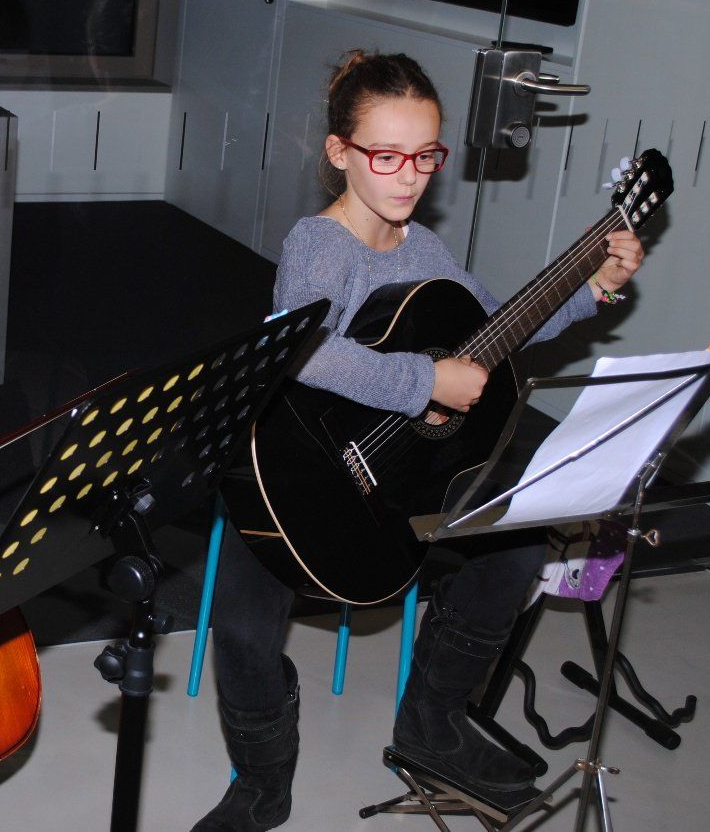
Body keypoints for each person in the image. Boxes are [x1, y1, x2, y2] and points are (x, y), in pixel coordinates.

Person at [192, 50, 644, 831]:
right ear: (339, 152)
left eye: (426, 156)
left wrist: (595, 285)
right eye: (387, 156)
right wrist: (424, 381)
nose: (409, 177)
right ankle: (262, 784)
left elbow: (500, 328)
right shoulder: (318, 244)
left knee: (516, 545)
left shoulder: (425, 252)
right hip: (294, 474)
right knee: (241, 623)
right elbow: (307, 353)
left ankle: (430, 723)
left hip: (395, 480)